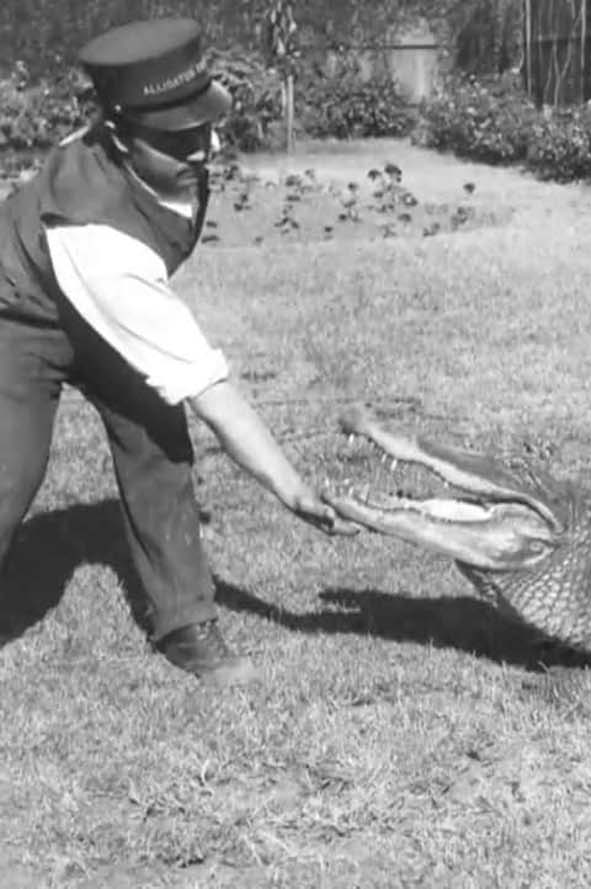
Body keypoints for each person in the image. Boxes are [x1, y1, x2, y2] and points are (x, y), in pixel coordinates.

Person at [0, 18, 357, 685]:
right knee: (8, 470)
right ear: (119, 135)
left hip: (107, 304)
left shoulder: (168, 154)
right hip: (18, 311)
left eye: (208, 125)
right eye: (181, 137)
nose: (207, 146)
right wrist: (291, 487)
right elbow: (212, 392)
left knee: (159, 439)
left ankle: (186, 621)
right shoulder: (98, 235)